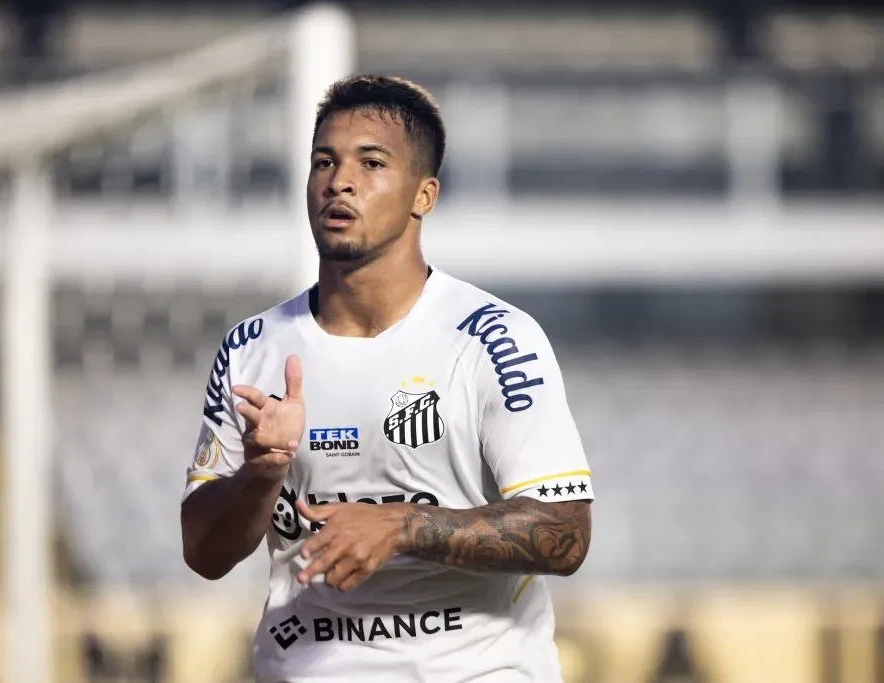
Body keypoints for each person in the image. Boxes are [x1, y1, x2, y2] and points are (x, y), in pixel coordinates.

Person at [181, 74, 594, 682]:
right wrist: (261, 473)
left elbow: (566, 533)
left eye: (371, 162)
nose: (339, 181)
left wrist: (404, 526)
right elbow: (205, 554)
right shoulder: (252, 350)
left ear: (423, 195)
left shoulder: (493, 340)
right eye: (325, 161)